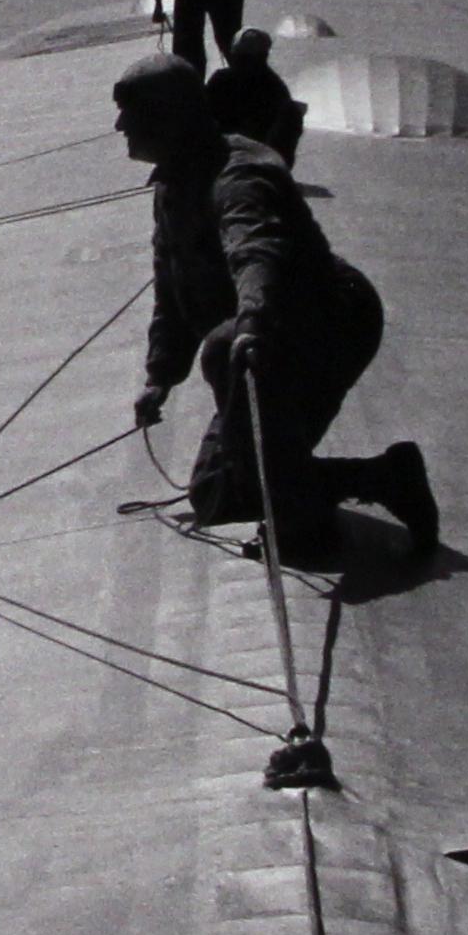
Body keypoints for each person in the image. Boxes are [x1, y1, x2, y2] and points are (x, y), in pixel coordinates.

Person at [115, 54, 435, 567]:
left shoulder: (237, 176)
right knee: (217, 495)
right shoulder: (173, 186)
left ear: (167, 116)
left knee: (227, 359)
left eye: (129, 114)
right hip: (268, 335)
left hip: (325, 325)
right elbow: (173, 290)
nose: (120, 127)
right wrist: (161, 375)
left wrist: (252, 323)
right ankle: (382, 477)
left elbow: (255, 249)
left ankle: (303, 528)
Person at [203, 27, 305, 165]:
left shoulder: (220, 79)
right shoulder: (275, 86)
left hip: (225, 157)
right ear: (265, 56)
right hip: (261, 159)